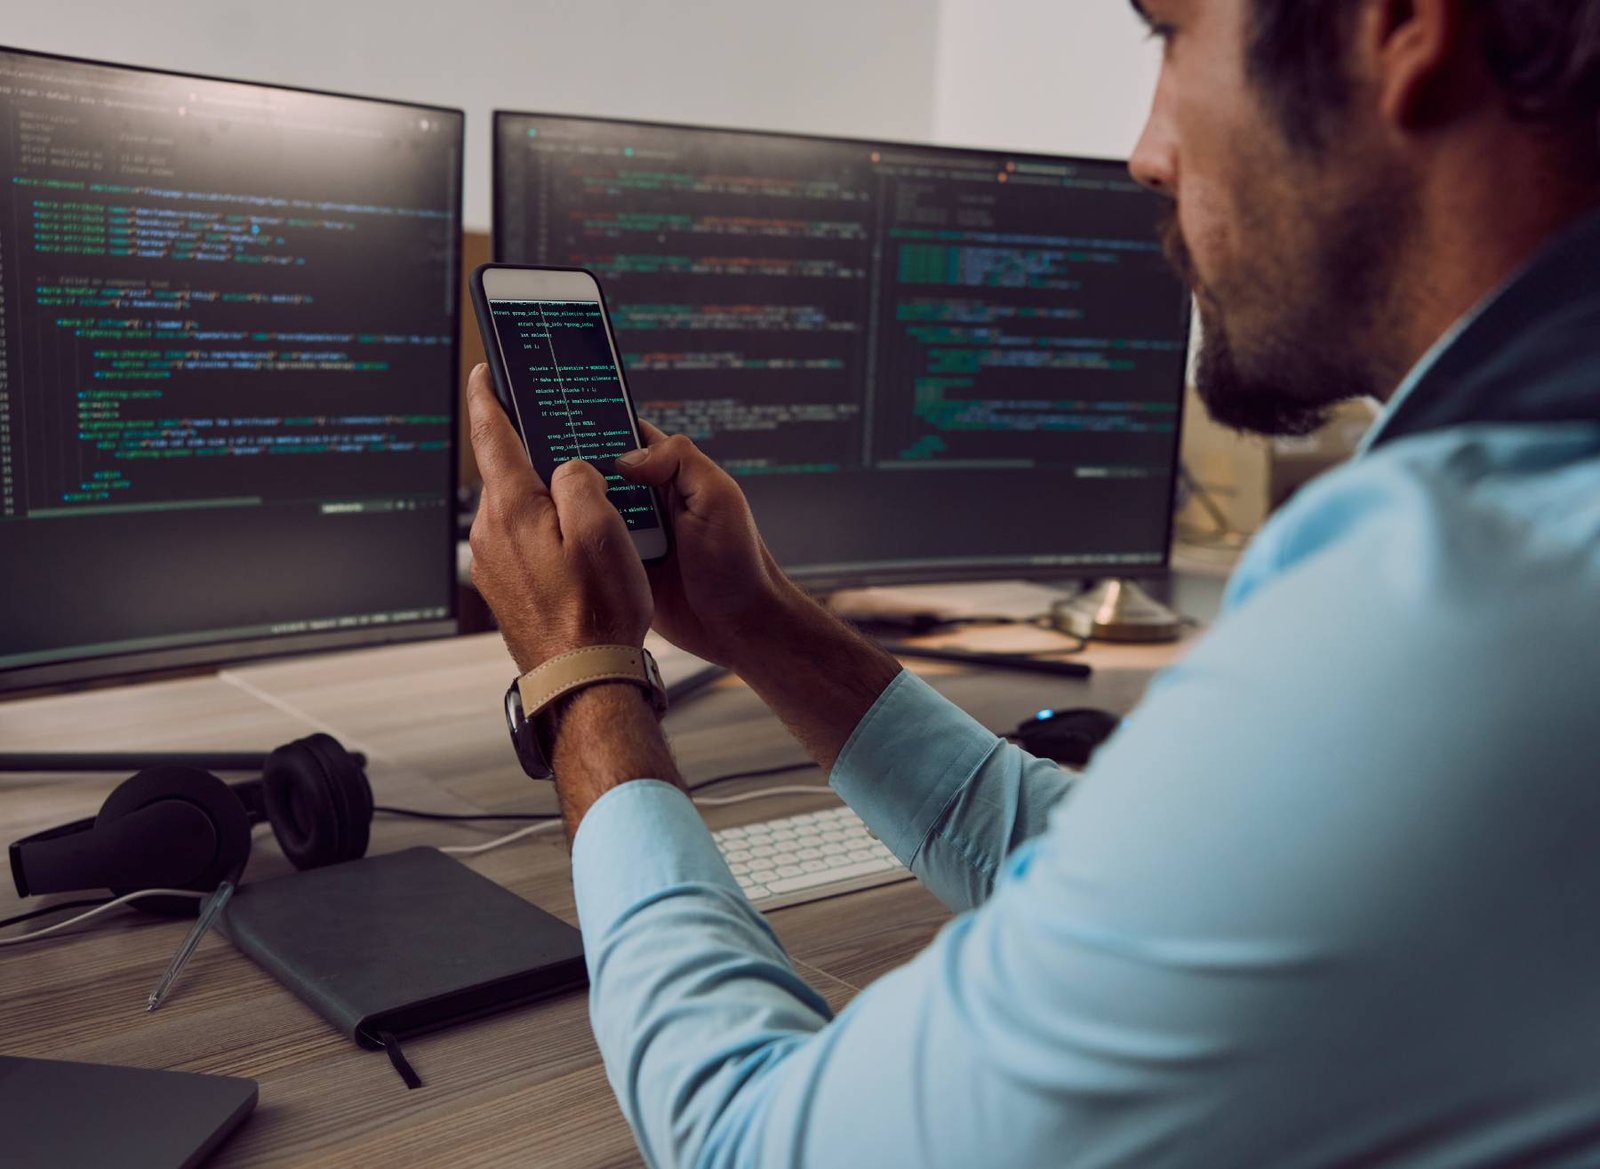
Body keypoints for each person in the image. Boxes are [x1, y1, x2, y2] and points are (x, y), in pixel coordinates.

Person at [466, 0, 1600, 1163]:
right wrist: (764, 624)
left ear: (1400, 24)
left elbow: (749, 1140)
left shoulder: (1444, 613)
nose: (1146, 152)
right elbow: (1150, 884)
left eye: (1173, 33)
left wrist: (584, 671)